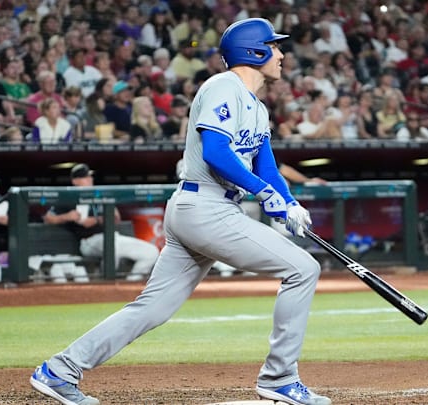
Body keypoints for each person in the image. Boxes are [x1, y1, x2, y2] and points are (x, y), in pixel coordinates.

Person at [30, 18, 329, 405]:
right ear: (253, 51)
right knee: (303, 268)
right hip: (205, 207)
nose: (282, 54)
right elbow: (217, 153)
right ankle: (280, 377)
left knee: (151, 308)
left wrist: (287, 201)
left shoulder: (256, 107)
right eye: (274, 47)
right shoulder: (223, 87)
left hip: (206, 210)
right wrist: (262, 193)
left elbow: (267, 167)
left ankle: (58, 370)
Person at [41, 164, 160, 282]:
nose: (90, 179)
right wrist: (67, 216)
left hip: (112, 237)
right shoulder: (69, 197)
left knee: (152, 252)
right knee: (112, 248)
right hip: (88, 241)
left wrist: (99, 219)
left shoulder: (100, 195)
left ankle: (130, 283)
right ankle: (105, 284)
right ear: (75, 181)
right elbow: (47, 218)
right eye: (85, 177)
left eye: (90, 177)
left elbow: (116, 220)